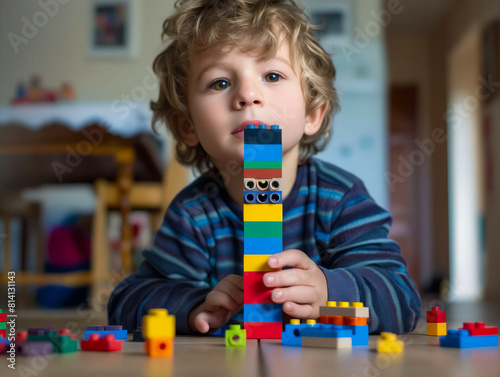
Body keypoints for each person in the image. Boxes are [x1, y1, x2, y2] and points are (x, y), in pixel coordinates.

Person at [108, 0, 421, 335]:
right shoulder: (193, 214)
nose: (247, 94)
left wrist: (330, 290)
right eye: (220, 83)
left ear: (313, 113)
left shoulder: (340, 198)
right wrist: (193, 304)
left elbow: (402, 299)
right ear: (188, 127)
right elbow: (126, 302)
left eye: (272, 75)